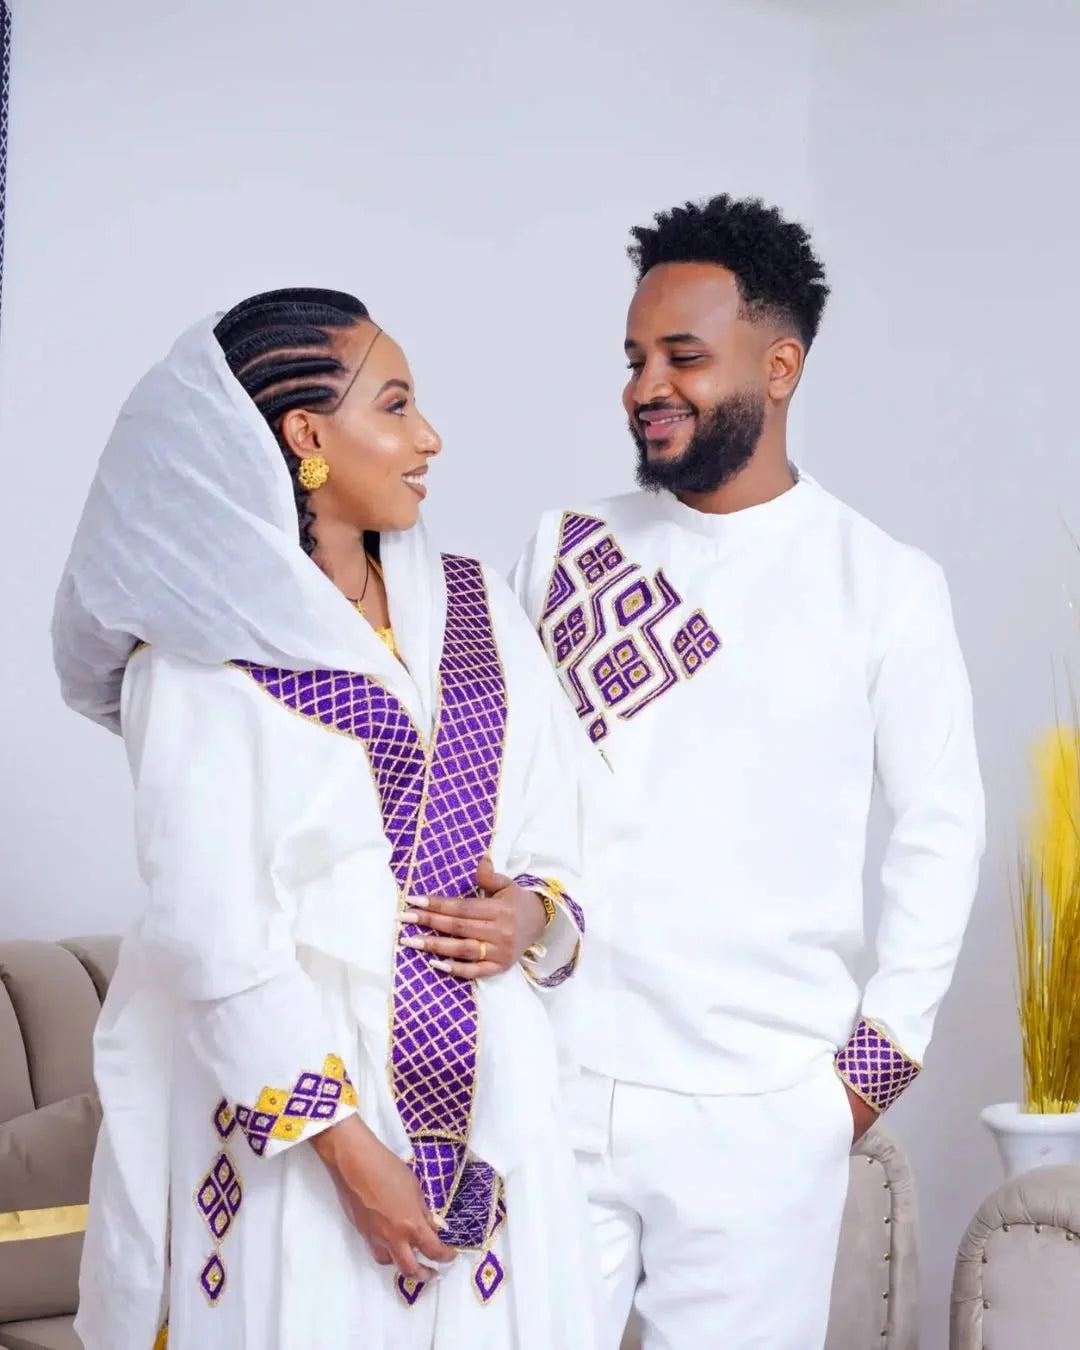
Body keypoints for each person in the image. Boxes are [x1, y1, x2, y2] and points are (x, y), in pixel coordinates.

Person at [53, 288, 604, 1350]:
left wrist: (531, 915)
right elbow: (213, 936)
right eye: (394, 407)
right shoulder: (198, 659)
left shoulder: (479, 605)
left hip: (493, 1092)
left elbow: (555, 815)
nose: (428, 436)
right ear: (308, 437)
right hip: (302, 1127)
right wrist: (354, 1160)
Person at [511, 196, 985, 1349]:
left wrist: (855, 1086)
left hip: (758, 1114)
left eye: (683, 356)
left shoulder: (882, 584)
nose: (644, 386)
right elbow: (505, 779)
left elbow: (942, 830)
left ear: (780, 367)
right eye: (634, 358)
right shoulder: (567, 545)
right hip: (552, 1078)